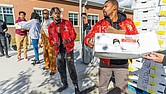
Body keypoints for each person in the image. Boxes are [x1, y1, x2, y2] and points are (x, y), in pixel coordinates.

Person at [84, 0, 138, 94]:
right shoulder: (100, 24)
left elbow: (136, 39)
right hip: (105, 63)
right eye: (103, 6)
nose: (103, 8)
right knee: (102, 89)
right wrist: (89, 41)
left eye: (106, 6)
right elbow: (87, 37)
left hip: (122, 64)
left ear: (114, 7)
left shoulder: (128, 23)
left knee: (121, 90)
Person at [48, 7, 80, 93]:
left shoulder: (67, 23)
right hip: (58, 50)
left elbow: (74, 34)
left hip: (68, 49)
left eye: (58, 13)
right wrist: (54, 43)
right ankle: (65, 84)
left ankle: (76, 86)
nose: (57, 14)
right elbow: (50, 39)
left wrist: (69, 40)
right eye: (55, 13)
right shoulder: (50, 27)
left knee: (71, 68)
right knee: (61, 69)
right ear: (52, 15)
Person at [40, 9, 56, 75]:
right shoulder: (43, 22)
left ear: (48, 14)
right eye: (44, 13)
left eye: (47, 13)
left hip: (49, 39)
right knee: (45, 53)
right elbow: (41, 31)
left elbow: (53, 31)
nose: (45, 14)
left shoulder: (51, 21)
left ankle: (53, 69)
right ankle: (47, 66)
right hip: (44, 40)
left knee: (51, 54)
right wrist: (40, 41)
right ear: (42, 14)